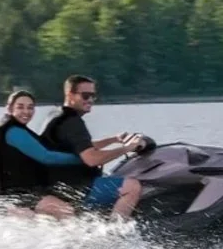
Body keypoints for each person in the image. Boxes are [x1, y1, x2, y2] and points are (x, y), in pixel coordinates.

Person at [39, 75, 145, 219]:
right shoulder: (73, 122)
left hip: (56, 185)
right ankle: (116, 228)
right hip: (75, 188)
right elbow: (91, 159)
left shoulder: (57, 115)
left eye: (93, 96)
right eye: (85, 95)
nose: (90, 100)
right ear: (70, 95)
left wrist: (114, 139)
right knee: (132, 186)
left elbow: (79, 146)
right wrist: (127, 148)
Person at [0, 89, 82, 220]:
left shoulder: (12, 128)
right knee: (67, 212)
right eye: (20, 107)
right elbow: (46, 157)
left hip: (21, 191)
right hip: (19, 194)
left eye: (30, 107)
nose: (26, 111)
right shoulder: (13, 132)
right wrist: (81, 159)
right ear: (9, 109)